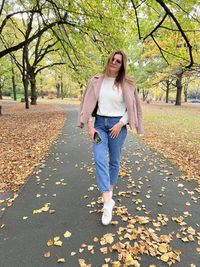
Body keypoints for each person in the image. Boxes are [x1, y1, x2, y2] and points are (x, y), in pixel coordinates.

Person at [78, 50, 143, 225]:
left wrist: (121, 123)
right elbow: (88, 103)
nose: (114, 62)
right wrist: (90, 126)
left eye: (118, 61)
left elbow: (133, 108)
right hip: (99, 124)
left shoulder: (127, 83)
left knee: (114, 160)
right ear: (108, 60)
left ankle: (110, 191)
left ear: (122, 65)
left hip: (117, 126)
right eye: (113, 59)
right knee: (99, 158)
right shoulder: (96, 80)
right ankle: (108, 202)